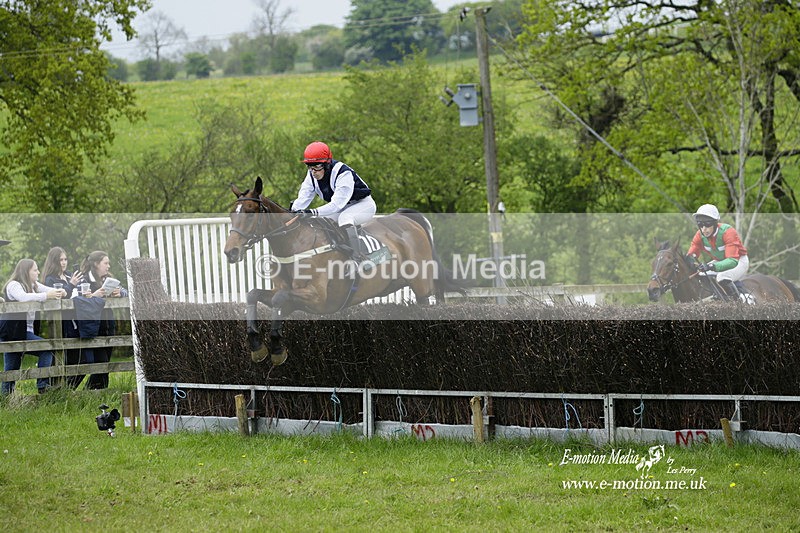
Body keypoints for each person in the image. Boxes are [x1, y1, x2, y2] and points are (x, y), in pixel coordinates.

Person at [290, 141, 376, 262]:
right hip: (342, 208)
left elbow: (336, 205)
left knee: (345, 218)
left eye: (317, 166)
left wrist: (312, 211)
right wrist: (291, 212)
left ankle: (358, 258)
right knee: (318, 222)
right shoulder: (311, 175)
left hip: (363, 205)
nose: (313, 171)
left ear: (327, 164)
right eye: (310, 166)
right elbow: (303, 198)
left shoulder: (343, 173)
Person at [1, 258, 66, 394]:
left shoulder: (34, 285)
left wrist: (61, 291)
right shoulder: (14, 285)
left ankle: (7, 397)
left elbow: (50, 290)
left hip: (23, 332)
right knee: (45, 349)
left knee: (11, 369)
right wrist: (46, 295)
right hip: (13, 332)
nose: (38, 272)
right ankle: (42, 387)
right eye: (35, 270)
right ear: (26, 271)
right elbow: (23, 297)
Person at [74, 251, 127, 390]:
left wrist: (120, 293)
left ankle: (96, 393)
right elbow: (77, 300)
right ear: (96, 264)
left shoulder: (108, 279)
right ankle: (87, 392)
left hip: (108, 325)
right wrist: (94, 296)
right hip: (92, 327)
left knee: (105, 363)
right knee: (96, 362)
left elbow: (126, 292)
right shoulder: (84, 280)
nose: (108, 266)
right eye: (106, 263)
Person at [42, 246, 85, 389]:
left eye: (65, 259)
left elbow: (77, 293)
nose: (64, 262)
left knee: (82, 358)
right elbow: (61, 295)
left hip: (76, 320)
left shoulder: (69, 275)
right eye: (60, 260)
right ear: (54, 261)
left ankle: (68, 388)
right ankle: (61, 389)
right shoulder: (50, 279)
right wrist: (71, 285)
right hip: (61, 322)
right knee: (65, 358)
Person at [686, 204, 749, 301]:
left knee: (722, 277)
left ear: (715, 223)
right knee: (701, 274)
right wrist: (689, 262)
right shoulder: (699, 235)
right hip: (719, 261)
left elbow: (732, 261)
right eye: (700, 225)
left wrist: (711, 266)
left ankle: (739, 304)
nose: (704, 229)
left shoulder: (728, 232)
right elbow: (691, 254)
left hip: (739, 261)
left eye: (707, 224)